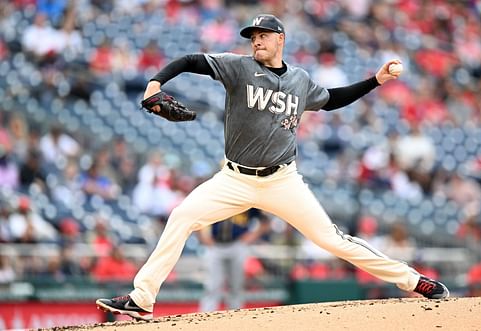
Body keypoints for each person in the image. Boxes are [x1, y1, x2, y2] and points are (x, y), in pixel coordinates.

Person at [96, 14, 449, 321]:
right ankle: (142, 298)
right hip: (234, 178)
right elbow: (191, 60)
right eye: (252, 37)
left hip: (282, 180)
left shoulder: (299, 80)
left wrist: (375, 81)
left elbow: (331, 100)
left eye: (262, 36)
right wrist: (155, 83)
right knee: (181, 217)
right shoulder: (238, 67)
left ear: (280, 39)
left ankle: (415, 281)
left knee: (333, 240)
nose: (256, 42)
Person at [198, 208, 271, 312]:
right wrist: (202, 237)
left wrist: (251, 236)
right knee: (212, 286)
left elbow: (265, 221)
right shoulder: (217, 198)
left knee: (236, 286)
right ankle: (205, 319)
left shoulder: (246, 201)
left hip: (237, 245)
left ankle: (236, 319)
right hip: (215, 245)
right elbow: (195, 218)